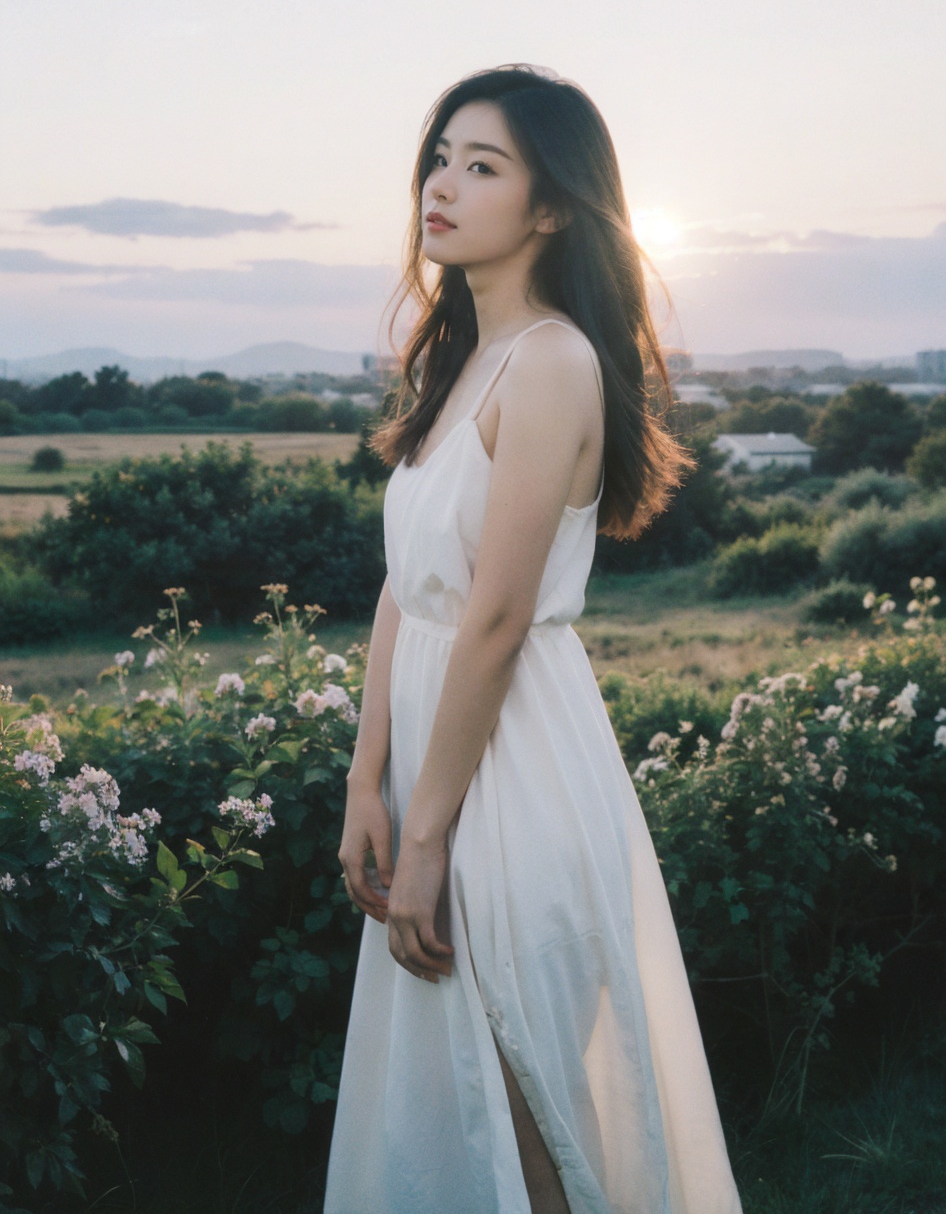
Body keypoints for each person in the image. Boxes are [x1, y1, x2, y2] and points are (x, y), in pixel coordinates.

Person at [325, 66, 743, 1214]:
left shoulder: (552, 361)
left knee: (529, 1098)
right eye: (440, 158)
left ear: (554, 206)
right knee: (468, 1100)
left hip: (511, 771)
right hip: (437, 769)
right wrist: (370, 784)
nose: (441, 185)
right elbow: (407, 591)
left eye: (483, 165)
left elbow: (498, 619)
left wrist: (429, 837)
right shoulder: (459, 365)